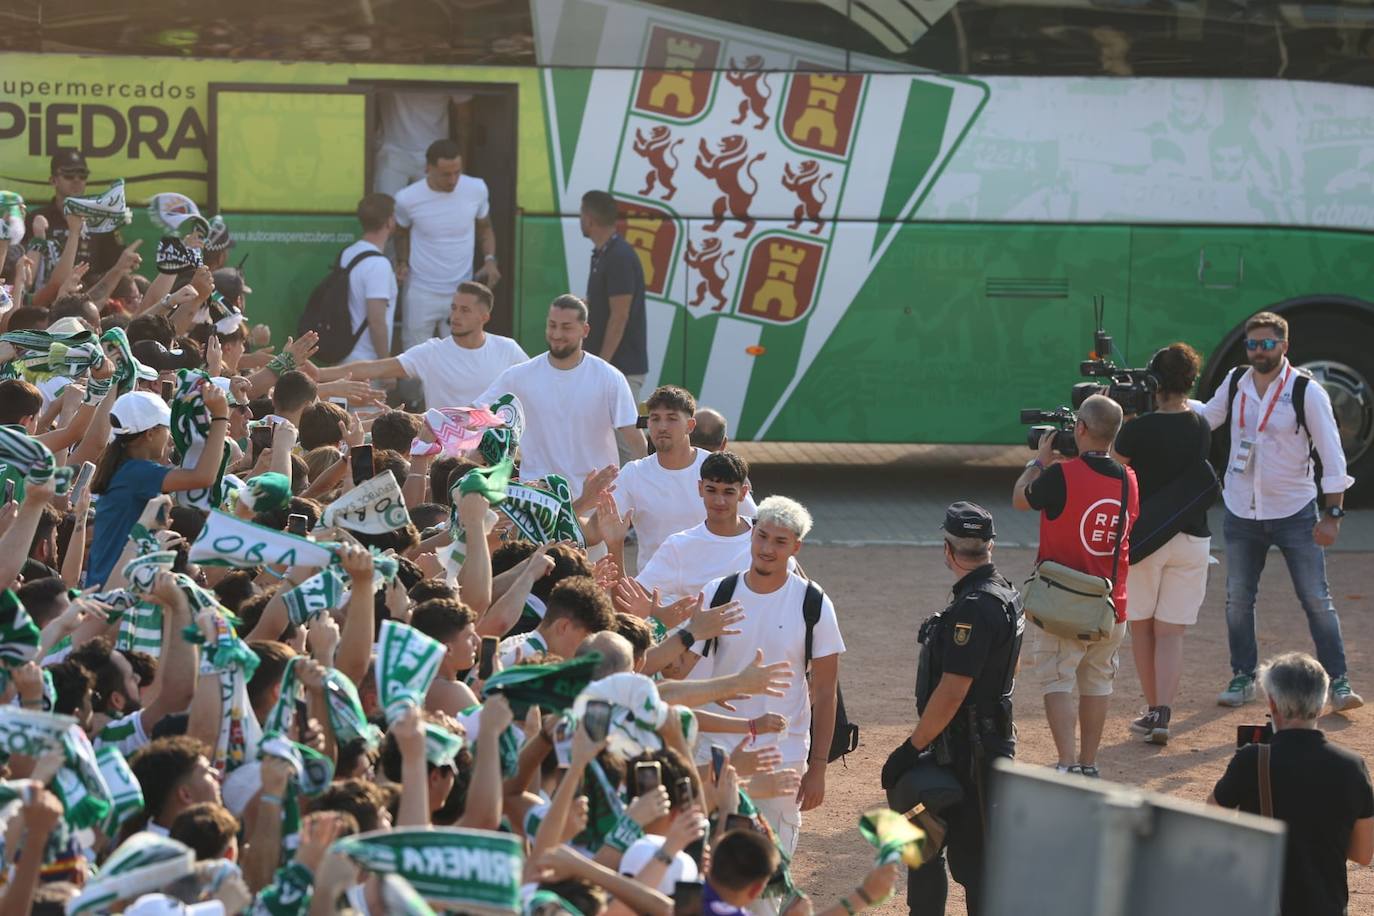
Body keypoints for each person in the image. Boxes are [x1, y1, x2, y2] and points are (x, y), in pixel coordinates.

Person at [1195, 311, 1361, 710]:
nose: (1258, 352)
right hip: (1241, 510)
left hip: (1295, 512)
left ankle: (1338, 681)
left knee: (1316, 599)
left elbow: (1332, 454)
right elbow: (1208, 416)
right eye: (1252, 344)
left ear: (1284, 347)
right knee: (1238, 598)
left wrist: (1332, 514)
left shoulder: (1306, 391)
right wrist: (1168, 402)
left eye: (1267, 344)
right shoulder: (1236, 382)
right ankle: (1243, 676)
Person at [681, 496, 842, 858]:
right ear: (752, 534)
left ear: (796, 547)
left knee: (772, 863)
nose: (767, 548)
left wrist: (818, 768)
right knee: (707, 857)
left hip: (781, 753)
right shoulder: (717, 593)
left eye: (780, 541)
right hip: (715, 746)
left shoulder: (813, 603)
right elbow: (678, 673)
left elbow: (826, 690)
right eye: (762, 536)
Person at [882, 502, 1022, 916]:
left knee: (972, 862)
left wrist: (910, 749)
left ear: (948, 549)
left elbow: (953, 691)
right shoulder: (1004, 593)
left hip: (969, 752)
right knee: (935, 840)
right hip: (983, 742)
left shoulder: (974, 608)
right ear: (990, 546)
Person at [1012, 394, 1138, 777]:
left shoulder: (1059, 476)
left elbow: (1020, 499)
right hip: (1110, 604)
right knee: (1097, 683)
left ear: (1080, 428)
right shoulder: (1129, 480)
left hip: (1062, 604)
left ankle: (1066, 763)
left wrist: (1039, 461)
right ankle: (1088, 764)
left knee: (1057, 680)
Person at [1208, 652, 1373, 916]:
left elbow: (1212, 820)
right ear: (1320, 706)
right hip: (1326, 906)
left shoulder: (1253, 760)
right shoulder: (1352, 766)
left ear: (1272, 704)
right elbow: (1363, 854)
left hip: (1262, 904)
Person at [1113, 343, 1216, 745]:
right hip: (1192, 537)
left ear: (1155, 381)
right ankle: (1164, 714)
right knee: (1172, 633)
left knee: (1142, 628)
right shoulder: (1201, 426)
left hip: (1146, 537)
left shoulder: (1138, 428)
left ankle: (1152, 709)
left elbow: (1116, 464)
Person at [477, 295, 645, 497]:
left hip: (594, 504)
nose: (556, 334)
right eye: (552, 325)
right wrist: (434, 424)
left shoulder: (609, 378)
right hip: (537, 502)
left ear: (585, 330)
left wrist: (641, 492)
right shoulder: (518, 376)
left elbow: (635, 440)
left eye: (566, 327)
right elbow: (476, 411)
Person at [600, 386, 756, 573]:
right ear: (648, 424)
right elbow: (594, 532)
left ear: (690, 426)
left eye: (672, 419)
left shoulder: (717, 466)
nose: (662, 426)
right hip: (655, 592)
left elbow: (757, 525)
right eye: (655, 419)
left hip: (714, 592)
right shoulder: (633, 474)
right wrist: (583, 502)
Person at [87, 388, 230, 588]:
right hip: (114, 588)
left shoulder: (126, 467)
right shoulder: (136, 473)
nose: (169, 435)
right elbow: (203, 477)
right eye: (165, 427)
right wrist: (220, 417)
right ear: (151, 434)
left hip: (106, 582)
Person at [337, 281, 526, 410]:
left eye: (465, 310)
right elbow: (376, 368)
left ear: (484, 318)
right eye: (454, 308)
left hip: (495, 459)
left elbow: (536, 383)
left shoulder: (508, 349)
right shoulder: (432, 351)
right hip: (444, 458)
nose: (455, 316)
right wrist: (320, 375)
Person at [394, 139, 499, 351]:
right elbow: (401, 233)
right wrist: (403, 261)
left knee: (461, 355)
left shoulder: (476, 188)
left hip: (461, 291)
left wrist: (490, 260)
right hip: (421, 291)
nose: (453, 180)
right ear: (428, 169)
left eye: (457, 173)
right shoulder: (407, 199)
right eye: (445, 174)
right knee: (415, 358)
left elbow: (485, 228)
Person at [580, 191, 647, 401]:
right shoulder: (603, 254)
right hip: (613, 368)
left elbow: (619, 316)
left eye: (581, 214)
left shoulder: (619, 256)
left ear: (590, 219)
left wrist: (602, 366)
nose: (580, 220)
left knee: (628, 434)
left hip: (621, 370)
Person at [24, 148, 123, 284]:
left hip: (89, 298)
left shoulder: (100, 220)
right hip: (44, 297)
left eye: (82, 175)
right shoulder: (35, 219)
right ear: (53, 181)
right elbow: (24, 270)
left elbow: (113, 267)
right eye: (69, 175)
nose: (77, 180)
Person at [340, 193, 399, 365]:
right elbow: (376, 321)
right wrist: (386, 365)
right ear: (389, 221)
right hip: (368, 362)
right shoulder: (379, 265)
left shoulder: (348, 253)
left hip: (345, 354)